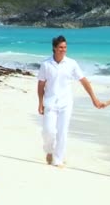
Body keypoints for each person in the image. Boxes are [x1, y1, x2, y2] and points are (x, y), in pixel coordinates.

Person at [37, 35, 102, 167]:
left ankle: (58, 159)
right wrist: (40, 102)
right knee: (48, 131)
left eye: (65, 47)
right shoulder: (46, 64)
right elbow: (41, 85)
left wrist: (94, 98)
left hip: (66, 103)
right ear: (54, 48)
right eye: (60, 47)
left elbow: (83, 81)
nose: (63, 50)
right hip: (50, 102)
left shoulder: (72, 64)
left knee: (62, 131)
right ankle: (49, 150)